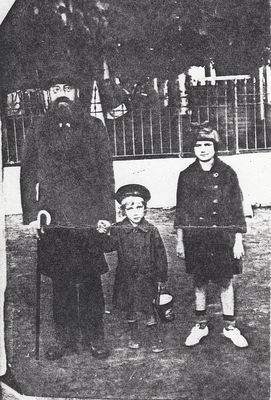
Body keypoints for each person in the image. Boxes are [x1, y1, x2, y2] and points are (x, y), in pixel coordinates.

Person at [20, 61, 116, 360]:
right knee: (60, 280)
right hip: (54, 216)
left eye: (67, 88)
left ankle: (94, 336)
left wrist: (106, 214)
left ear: (77, 92)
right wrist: (33, 214)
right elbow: (28, 174)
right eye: (55, 89)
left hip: (88, 215)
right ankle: (64, 338)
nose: (61, 94)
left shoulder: (94, 126)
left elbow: (105, 172)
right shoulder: (38, 129)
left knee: (89, 279)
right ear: (48, 94)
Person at [174, 124, 248, 348]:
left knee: (226, 282)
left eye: (208, 144)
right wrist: (179, 240)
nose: (203, 149)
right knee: (200, 282)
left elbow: (237, 208)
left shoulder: (227, 173)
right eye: (198, 145)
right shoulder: (186, 175)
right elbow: (181, 211)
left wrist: (238, 240)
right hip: (197, 238)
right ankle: (200, 325)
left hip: (222, 236)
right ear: (193, 149)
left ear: (215, 147)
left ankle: (230, 327)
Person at [97, 184, 168, 353]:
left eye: (139, 207)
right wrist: (102, 234)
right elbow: (107, 247)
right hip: (126, 278)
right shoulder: (119, 229)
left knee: (148, 308)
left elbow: (160, 254)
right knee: (130, 309)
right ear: (123, 211)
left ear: (145, 209)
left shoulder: (151, 230)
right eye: (130, 208)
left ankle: (153, 338)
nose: (135, 212)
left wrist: (161, 278)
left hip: (147, 277)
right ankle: (134, 336)